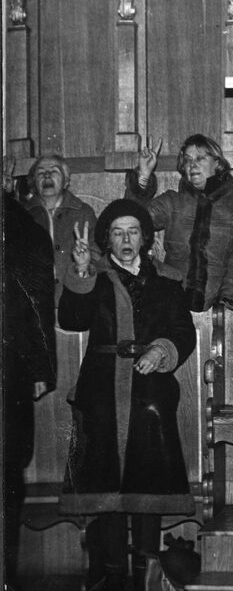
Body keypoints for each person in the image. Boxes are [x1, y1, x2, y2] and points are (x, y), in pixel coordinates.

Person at [59, 199, 196, 591]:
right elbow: (71, 318)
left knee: (147, 481)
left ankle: (149, 572)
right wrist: (81, 270)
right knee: (105, 485)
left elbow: (183, 334)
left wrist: (161, 350)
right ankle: (112, 572)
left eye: (132, 231)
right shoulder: (96, 278)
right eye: (117, 233)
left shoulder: (168, 281)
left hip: (150, 394)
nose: (125, 239)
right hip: (100, 392)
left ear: (145, 238)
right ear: (107, 239)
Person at [126, 133, 233, 311]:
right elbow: (130, 221)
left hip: (216, 310)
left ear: (218, 163)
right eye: (187, 160)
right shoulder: (172, 202)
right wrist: (143, 176)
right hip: (170, 306)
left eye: (200, 158)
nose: (192, 164)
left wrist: (228, 302)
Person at [3, 188, 57, 590]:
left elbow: (37, 306)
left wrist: (41, 368)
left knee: (6, 474)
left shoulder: (23, 230)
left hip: (9, 371)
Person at [19, 154, 99, 300]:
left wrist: (83, 265)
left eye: (54, 171)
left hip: (73, 301)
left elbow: (98, 259)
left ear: (66, 181)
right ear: (34, 182)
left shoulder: (83, 213)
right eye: (41, 172)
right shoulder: (22, 216)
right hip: (35, 306)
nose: (47, 175)